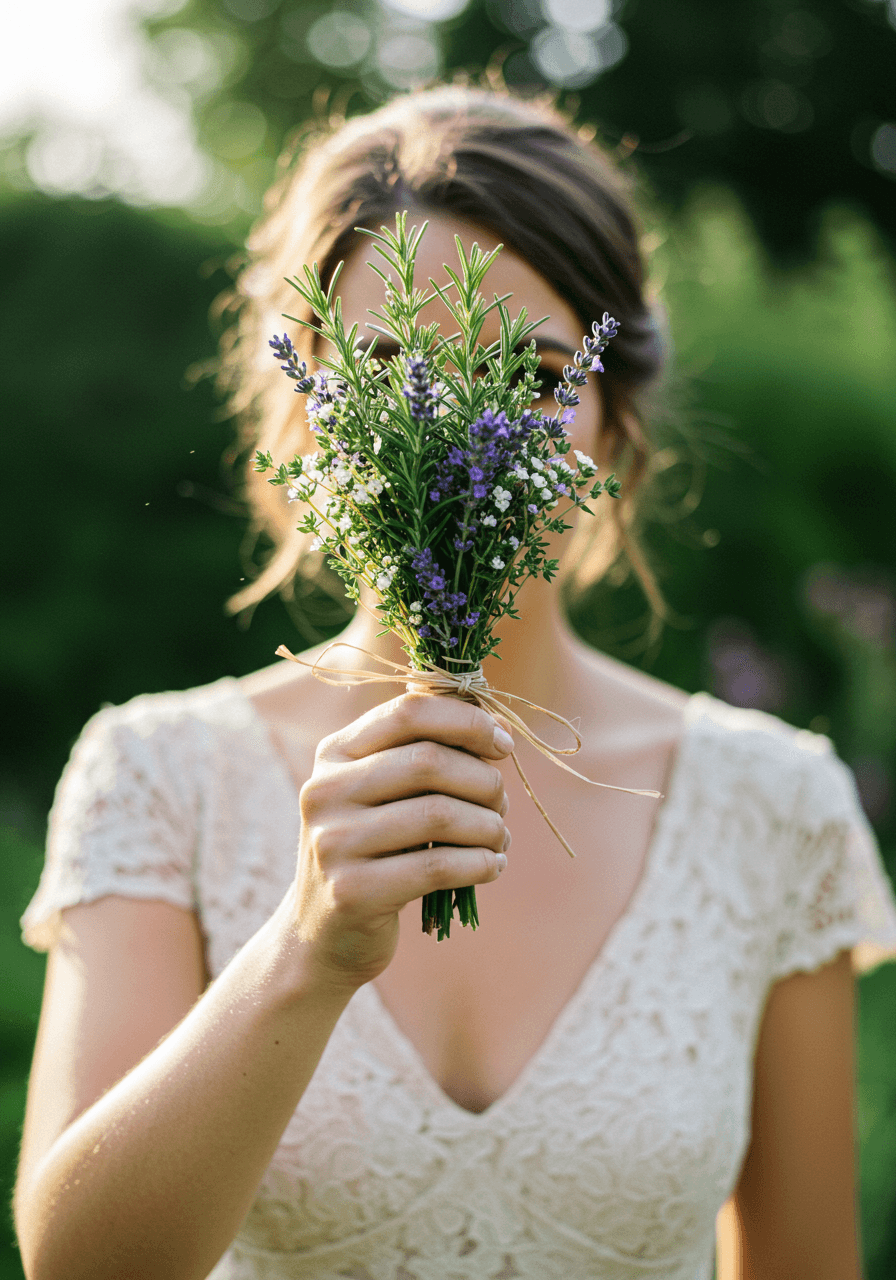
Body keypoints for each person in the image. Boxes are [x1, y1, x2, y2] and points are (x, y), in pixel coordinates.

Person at [13, 85, 896, 1280]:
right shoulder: (157, 772)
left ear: (614, 408)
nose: (450, 423)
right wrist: (306, 951)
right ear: (306, 402)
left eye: (530, 373)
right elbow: (79, 1262)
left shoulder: (772, 801)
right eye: (390, 370)